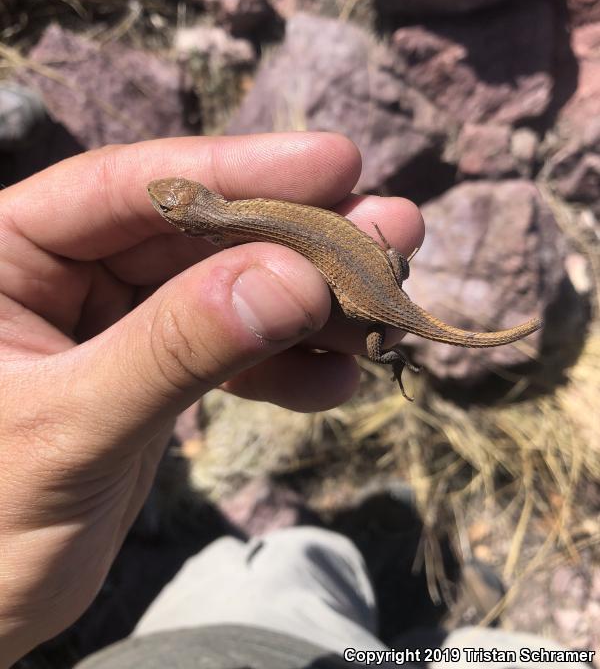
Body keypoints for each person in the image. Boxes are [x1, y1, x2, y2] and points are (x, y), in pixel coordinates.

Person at [0, 133, 588, 669]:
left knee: (291, 561)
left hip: (368, 305)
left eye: (168, 206)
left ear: (193, 218)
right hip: (380, 281)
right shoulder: (230, 215)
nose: (160, 201)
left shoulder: (220, 229)